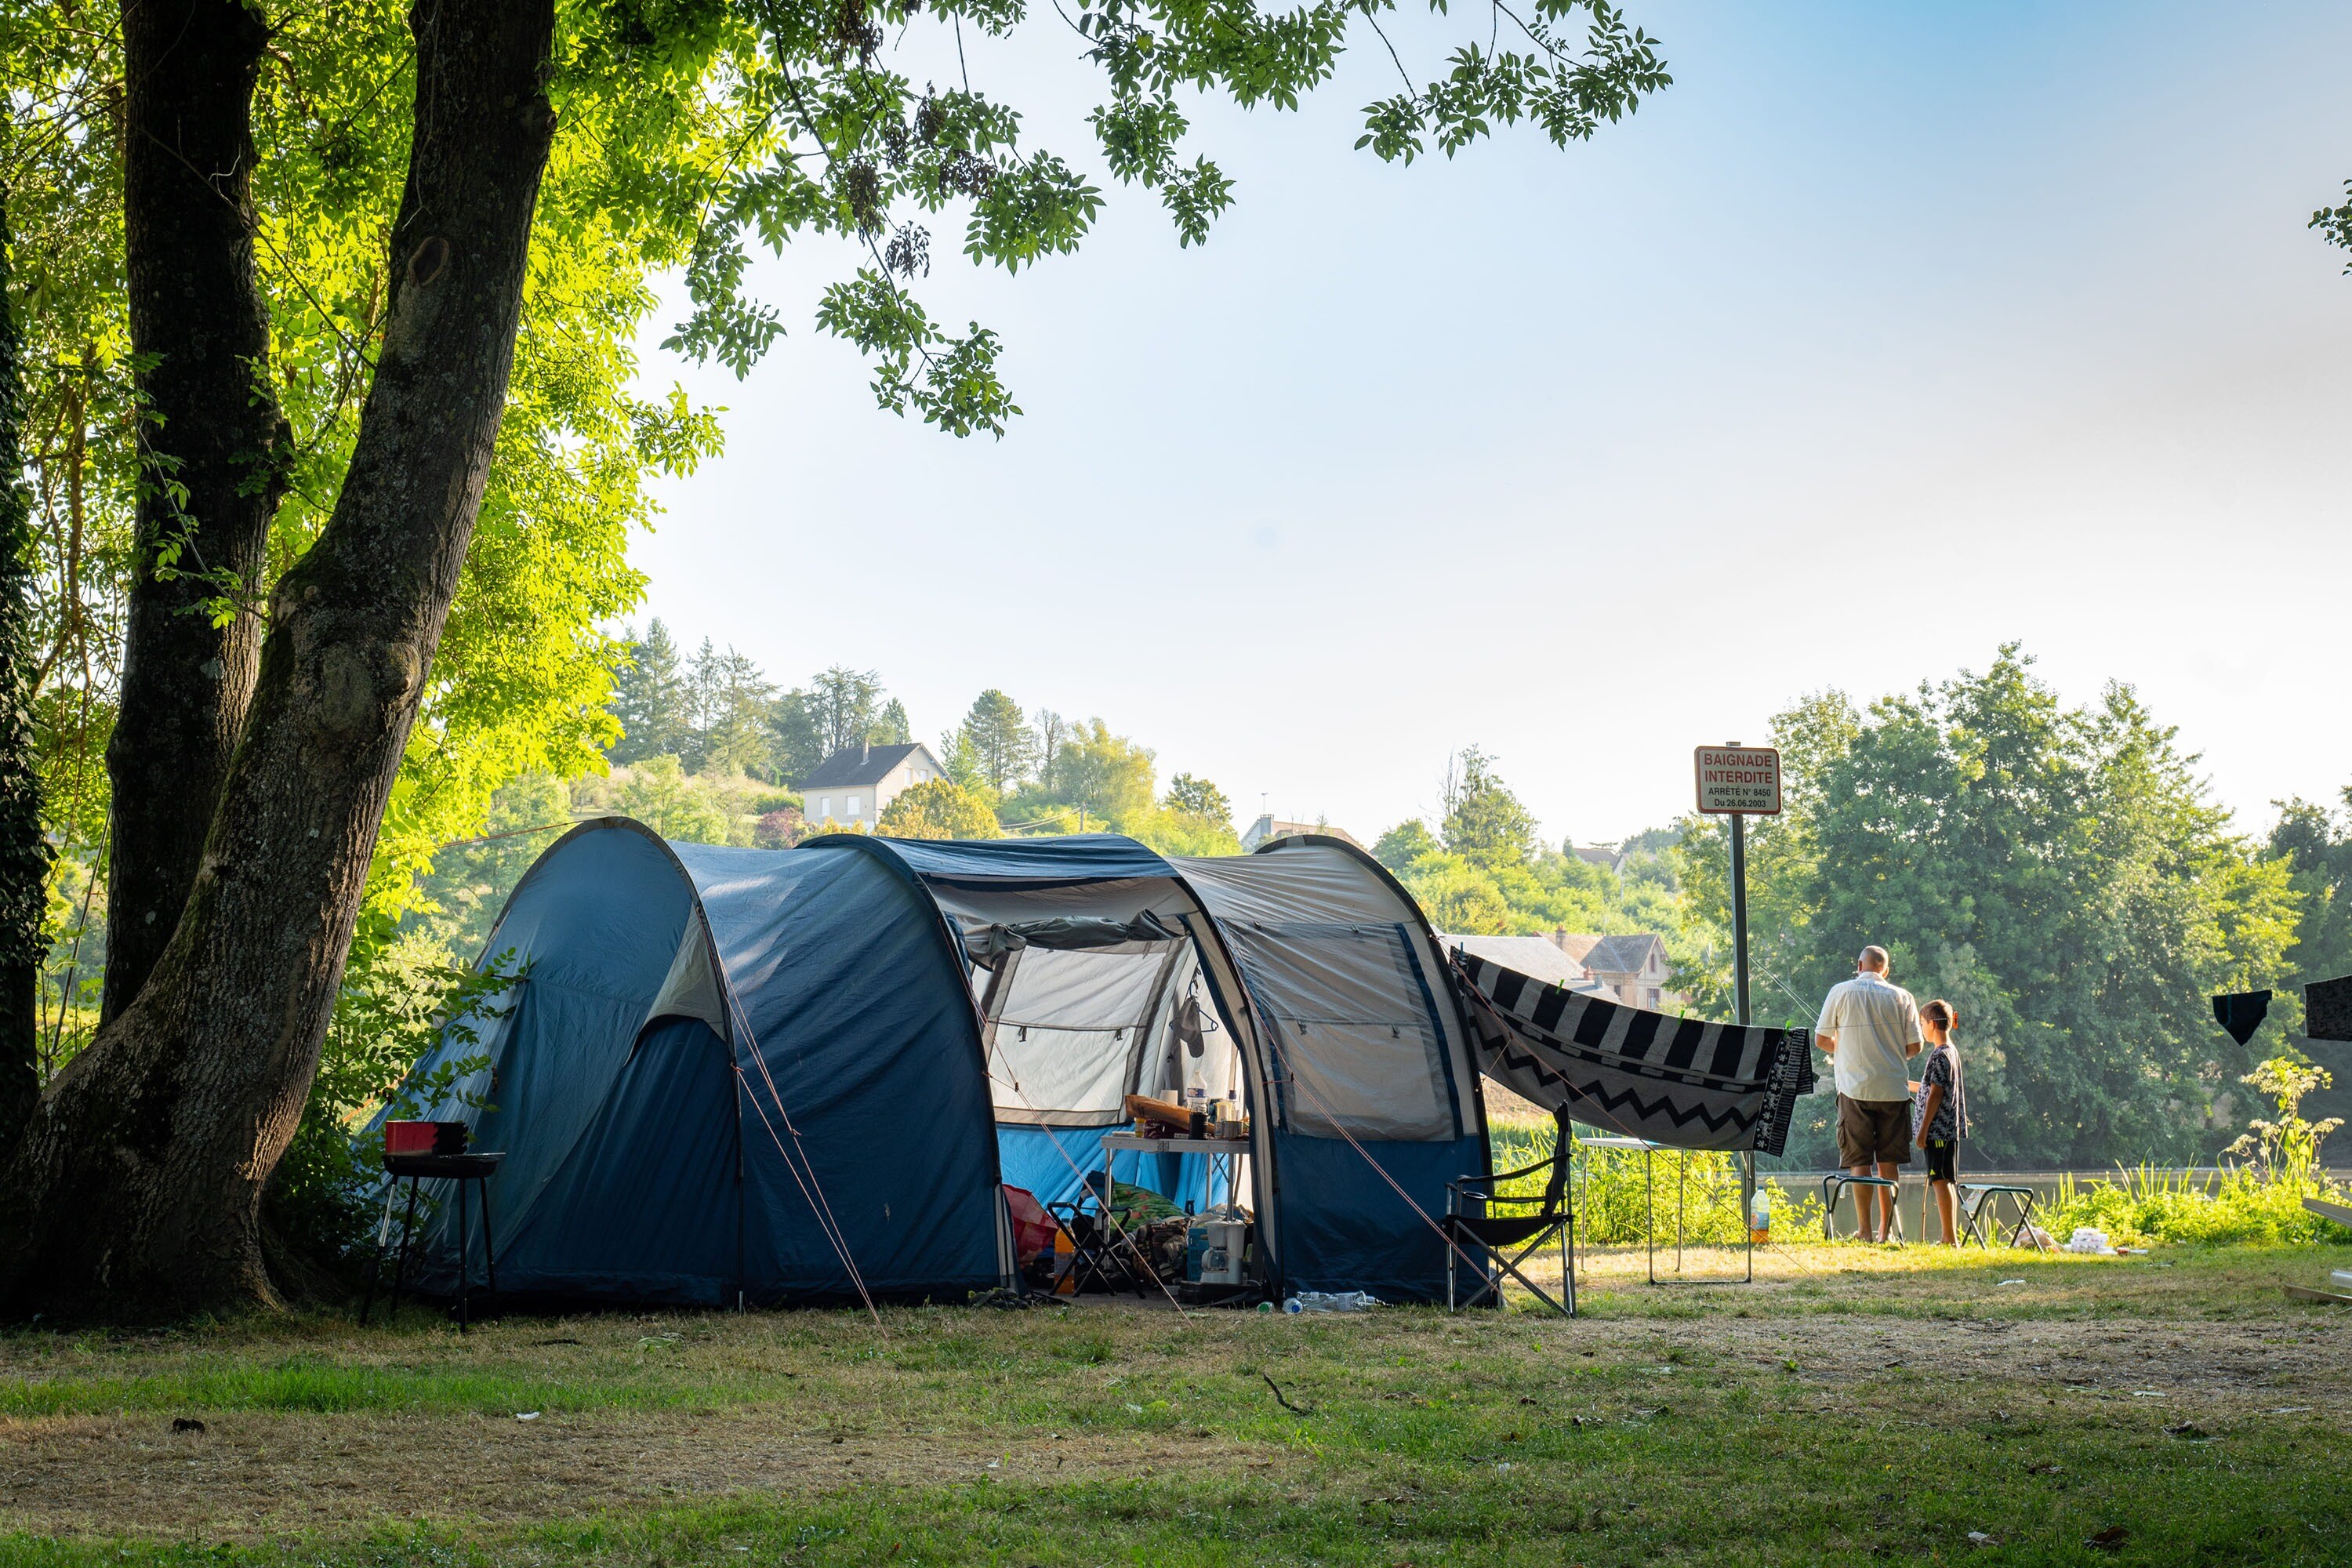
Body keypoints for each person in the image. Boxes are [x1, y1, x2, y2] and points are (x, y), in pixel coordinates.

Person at [1814, 946, 1922, 1243]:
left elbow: (1821, 1039)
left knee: (1858, 1159)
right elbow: (1915, 1047)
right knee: (1889, 1162)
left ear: (1859, 964)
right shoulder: (1903, 997)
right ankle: (1885, 1232)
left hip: (1854, 1089)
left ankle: (1863, 1230)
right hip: (1893, 1090)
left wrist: (1847, 1049)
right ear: (1885, 970)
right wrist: (1887, 1052)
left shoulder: (1841, 991)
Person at [1913, 1000, 1968, 1246]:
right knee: (1945, 1180)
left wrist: (1923, 1130)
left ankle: (1949, 1238)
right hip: (1948, 1131)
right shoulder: (1951, 1052)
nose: (1922, 1028)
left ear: (1933, 1024)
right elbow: (1928, 1087)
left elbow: (1936, 1093)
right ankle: (1950, 1236)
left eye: (1923, 1023)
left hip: (1938, 1131)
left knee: (1940, 1181)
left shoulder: (1939, 1055)